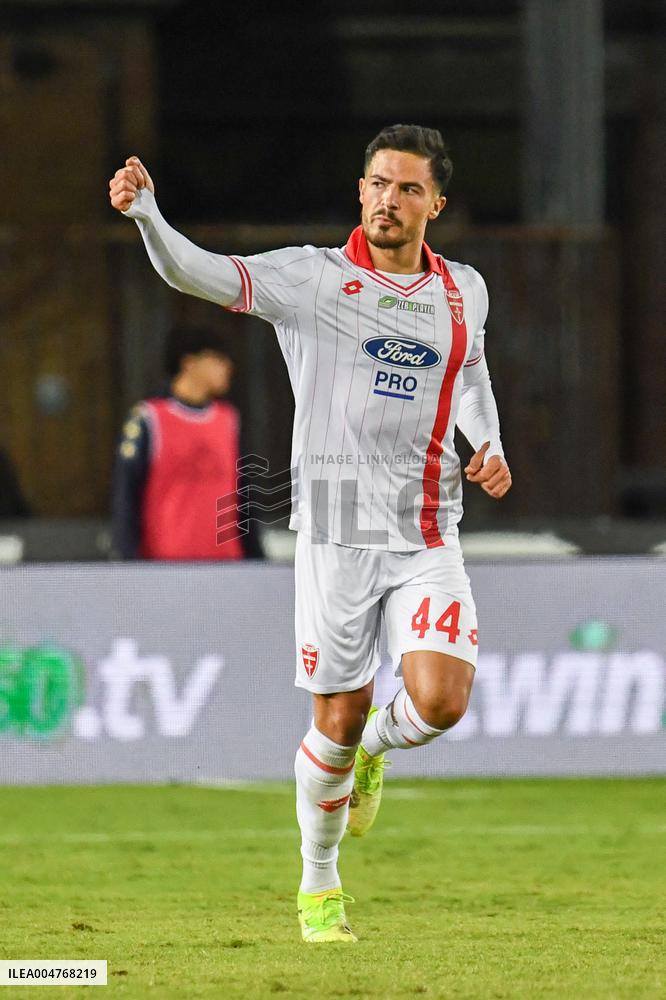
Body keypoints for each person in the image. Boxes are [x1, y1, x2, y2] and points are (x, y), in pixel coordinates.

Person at [109, 124, 512, 942]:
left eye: (406, 188)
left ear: (436, 202)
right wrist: (150, 216)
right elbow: (201, 274)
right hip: (334, 534)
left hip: (428, 530)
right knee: (335, 718)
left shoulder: (464, 289)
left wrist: (489, 441)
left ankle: (378, 750)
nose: (387, 199)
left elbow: (469, 371)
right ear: (359, 191)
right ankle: (319, 887)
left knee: (439, 701)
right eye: (375, 183)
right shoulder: (312, 278)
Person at [111, 325, 262, 561]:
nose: (228, 368)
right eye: (218, 359)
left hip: (227, 565)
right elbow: (126, 495)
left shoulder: (229, 420)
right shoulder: (149, 418)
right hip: (167, 567)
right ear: (189, 362)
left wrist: (256, 558)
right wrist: (128, 560)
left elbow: (244, 496)